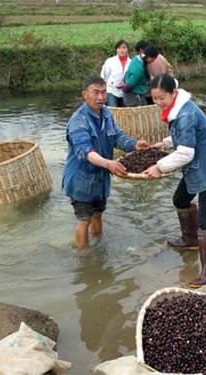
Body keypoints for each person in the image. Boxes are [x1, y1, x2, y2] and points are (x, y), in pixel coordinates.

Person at [144, 74, 206, 288]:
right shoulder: (178, 109)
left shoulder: (185, 114)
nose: (157, 103)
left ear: (173, 93)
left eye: (161, 98)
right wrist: (164, 144)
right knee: (180, 199)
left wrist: (158, 166)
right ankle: (190, 240)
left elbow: (185, 153)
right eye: (154, 98)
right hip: (197, 166)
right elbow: (183, 137)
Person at [62, 76, 147, 249]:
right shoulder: (78, 121)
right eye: (96, 93)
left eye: (104, 93)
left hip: (100, 179)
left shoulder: (106, 113)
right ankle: (84, 260)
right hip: (81, 180)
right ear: (84, 94)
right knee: (84, 220)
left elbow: (117, 137)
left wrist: (135, 144)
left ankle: (99, 247)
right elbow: (85, 151)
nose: (101, 97)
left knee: (98, 214)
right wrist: (109, 163)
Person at [100, 39, 131, 107]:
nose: (121, 50)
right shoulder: (110, 61)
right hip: (111, 91)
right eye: (119, 48)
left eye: (124, 47)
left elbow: (132, 77)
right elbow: (104, 76)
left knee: (125, 112)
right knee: (113, 110)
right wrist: (103, 91)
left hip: (125, 92)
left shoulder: (131, 63)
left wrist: (125, 84)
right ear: (116, 49)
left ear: (128, 49)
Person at [122, 41, 150, 107]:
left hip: (135, 94)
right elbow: (131, 83)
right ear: (141, 50)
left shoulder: (136, 59)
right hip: (134, 97)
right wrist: (124, 89)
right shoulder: (138, 67)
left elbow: (127, 73)